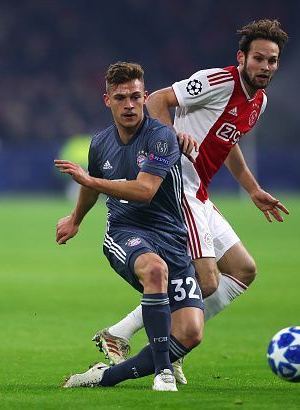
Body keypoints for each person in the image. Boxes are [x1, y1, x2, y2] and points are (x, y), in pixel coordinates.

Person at [93, 19, 290, 384]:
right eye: (259, 58)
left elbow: (226, 143)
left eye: (272, 61)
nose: (265, 67)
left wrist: (252, 189)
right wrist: (172, 135)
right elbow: (157, 100)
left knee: (244, 270)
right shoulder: (220, 81)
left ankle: (150, 340)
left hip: (200, 193)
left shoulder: (258, 102)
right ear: (242, 58)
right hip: (178, 186)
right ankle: (138, 338)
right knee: (207, 280)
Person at [55, 62, 204, 391]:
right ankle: (164, 373)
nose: (129, 105)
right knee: (154, 270)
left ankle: (103, 376)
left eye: (136, 97)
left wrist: (89, 178)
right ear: (107, 101)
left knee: (191, 332)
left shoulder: (162, 137)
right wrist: (76, 220)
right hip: (125, 231)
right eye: (121, 98)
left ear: (145, 97)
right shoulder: (100, 144)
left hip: (170, 235)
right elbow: (92, 187)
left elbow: (145, 190)